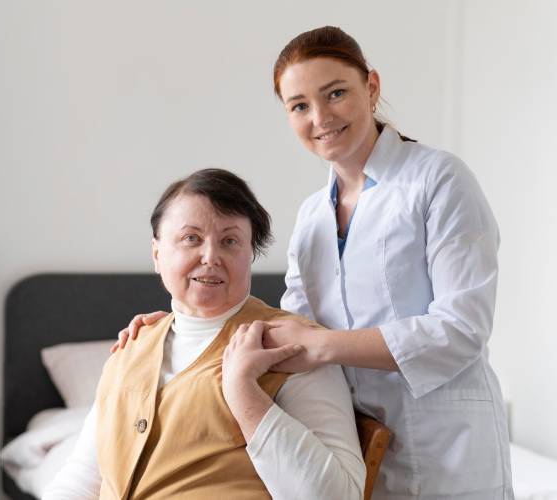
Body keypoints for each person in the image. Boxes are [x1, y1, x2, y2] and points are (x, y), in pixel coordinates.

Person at [116, 27, 514, 499]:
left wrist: (325, 347)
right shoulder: (311, 218)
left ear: (371, 87)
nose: (320, 117)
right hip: (353, 445)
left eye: (336, 93)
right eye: (299, 105)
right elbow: (285, 329)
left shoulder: (437, 180)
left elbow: (462, 330)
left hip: (447, 446)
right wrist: (183, 330)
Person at [43, 168, 366, 500]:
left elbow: (337, 496)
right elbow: (83, 477)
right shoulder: (131, 347)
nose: (211, 257)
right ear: (157, 254)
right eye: (191, 238)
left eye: (230, 241)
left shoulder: (292, 347)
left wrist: (244, 394)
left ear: (248, 256)